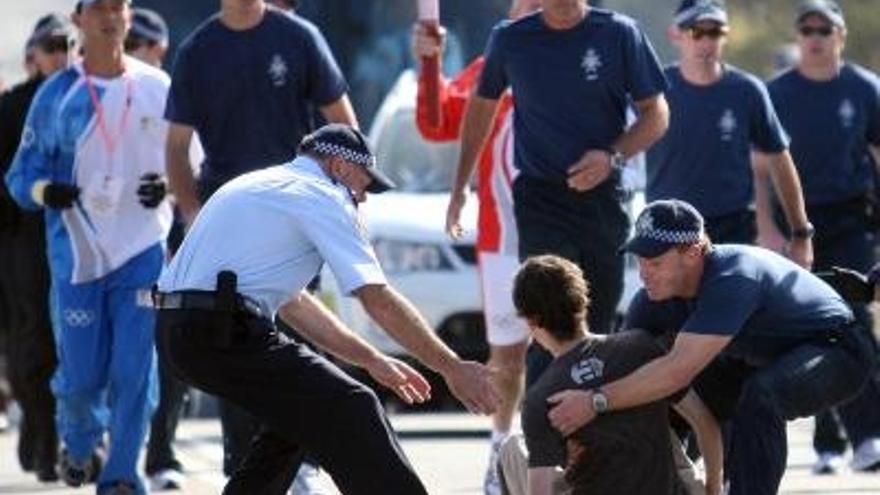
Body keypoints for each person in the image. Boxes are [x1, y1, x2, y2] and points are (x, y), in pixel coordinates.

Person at [154, 123, 498, 495]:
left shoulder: (259, 184)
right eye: (364, 186)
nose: (363, 199)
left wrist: (372, 360)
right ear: (338, 168)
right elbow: (377, 298)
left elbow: (296, 305)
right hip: (221, 329)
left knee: (297, 422)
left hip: (178, 330)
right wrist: (451, 367)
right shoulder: (322, 194)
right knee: (352, 405)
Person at [545, 198, 878, 495]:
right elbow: (625, 366)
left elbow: (675, 372)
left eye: (655, 262)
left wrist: (595, 401)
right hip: (758, 356)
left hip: (840, 351)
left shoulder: (732, 277)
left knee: (761, 396)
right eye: (640, 261)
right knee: (666, 393)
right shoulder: (652, 298)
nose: (644, 273)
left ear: (692, 253)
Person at [164, 0, 358, 481]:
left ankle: (303, 464)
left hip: (293, 215)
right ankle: (242, 465)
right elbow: (175, 146)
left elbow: (341, 118)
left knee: (297, 342)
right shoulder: (198, 50)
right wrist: (191, 214)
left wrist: (352, 190)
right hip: (229, 220)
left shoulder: (298, 37)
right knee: (237, 346)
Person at [5, 0, 174, 493]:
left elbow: (191, 163)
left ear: (128, 16)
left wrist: (165, 184)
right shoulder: (57, 96)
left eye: (117, 6)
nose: (109, 15)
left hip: (142, 251)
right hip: (77, 260)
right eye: (97, 7)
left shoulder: (158, 88)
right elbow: (20, 178)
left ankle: (123, 474)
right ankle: (78, 443)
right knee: (80, 381)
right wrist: (46, 193)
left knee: (134, 374)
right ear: (79, 19)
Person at [447, 1, 669, 356]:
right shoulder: (511, 39)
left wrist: (612, 158)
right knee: (552, 314)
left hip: (604, 196)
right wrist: (459, 189)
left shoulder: (618, 33)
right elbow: (480, 109)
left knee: (598, 322)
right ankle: (544, 408)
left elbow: (656, 114)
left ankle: (595, 405)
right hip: (541, 197)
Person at [411, 1, 538, 493]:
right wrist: (428, 63)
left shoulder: (580, 59)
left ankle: (570, 456)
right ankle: (502, 457)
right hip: (503, 238)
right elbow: (437, 122)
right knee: (507, 357)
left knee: (570, 347)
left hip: (570, 227)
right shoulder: (493, 67)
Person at [766, 0, 880, 475]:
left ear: (840, 35)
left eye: (824, 29)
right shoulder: (775, 92)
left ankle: (869, 435)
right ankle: (827, 441)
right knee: (808, 328)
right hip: (795, 228)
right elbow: (761, 164)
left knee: (854, 322)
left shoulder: (866, 89)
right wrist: (768, 229)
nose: (815, 37)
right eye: (807, 28)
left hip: (852, 220)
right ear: (798, 36)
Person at [502, 254, 722, 495]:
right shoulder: (642, 347)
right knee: (658, 428)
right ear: (582, 301)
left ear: (532, 321)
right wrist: (713, 489)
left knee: (512, 449)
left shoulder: (542, 398)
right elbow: (705, 424)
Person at [649, 0, 812, 264]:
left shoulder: (747, 90)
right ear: (675, 34)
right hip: (667, 227)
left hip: (733, 229)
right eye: (695, 31)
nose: (706, 41)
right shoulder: (653, 88)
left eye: (714, 32)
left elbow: (779, 160)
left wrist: (801, 233)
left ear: (725, 36)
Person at [0, 12, 76, 483]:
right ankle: (43, 433)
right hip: (24, 241)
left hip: (85, 238)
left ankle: (81, 433)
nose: (59, 54)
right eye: (50, 46)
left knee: (86, 345)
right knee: (34, 343)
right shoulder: (11, 108)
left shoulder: (91, 98)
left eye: (67, 45)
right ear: (33, 54)